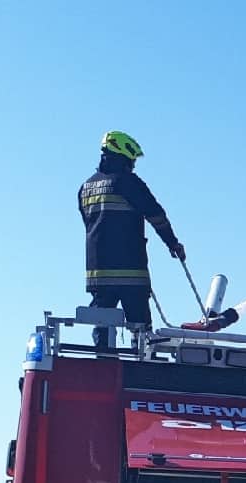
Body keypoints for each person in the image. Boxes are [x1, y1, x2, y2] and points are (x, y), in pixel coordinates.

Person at [79, 130, 184, 348]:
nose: (133, 165)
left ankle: (104, 364)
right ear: (122, 156)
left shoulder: (85, 188)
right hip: (131, 271)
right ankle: (141, 364)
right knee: (140, 326)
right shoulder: (128, 182)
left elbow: (89, 225)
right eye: (132, 160)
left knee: (103, 324)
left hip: (98, 273)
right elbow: (156, 214)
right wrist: (172, 243)